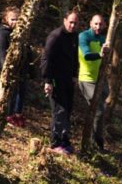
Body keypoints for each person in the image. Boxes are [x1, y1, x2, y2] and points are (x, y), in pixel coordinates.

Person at [41, 10, 79, 155]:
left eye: (75, 23)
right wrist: (47, 80)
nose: (72, 25)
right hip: (55, 79)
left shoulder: (74, 36)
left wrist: (74, 75)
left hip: (68, 79)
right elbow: (46, 59)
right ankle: (54, 142)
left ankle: (65, 139)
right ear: (64, 20)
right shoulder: (55, 36)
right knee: (59, 110)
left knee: (68, 109)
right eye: (70, 22)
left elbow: (74, 57)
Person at [78, 14, 111, 151]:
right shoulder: (84, 36)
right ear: (91, 23)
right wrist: (100, 54)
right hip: (87, 80)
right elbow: (86, 54)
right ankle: (94, 143)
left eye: (100, 24)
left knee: (101, 111)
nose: (98, 27)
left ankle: (97, 141)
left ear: (104, 25)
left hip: (100, 79)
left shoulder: (103, 39)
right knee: (97, 111)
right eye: (95, 24)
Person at [0, 6, 32, 128]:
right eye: (12, 19)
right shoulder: (4, 33)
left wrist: (31, 69)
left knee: (21, 91)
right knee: (12, 92)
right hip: (11, 67)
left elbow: (28, 51)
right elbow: (2, 51)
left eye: (17, 20)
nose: (15, 22)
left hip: (22, 67)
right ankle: (9, 114)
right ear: (5, 19)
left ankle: (18, 113)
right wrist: (5, 68)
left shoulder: (22, 34)